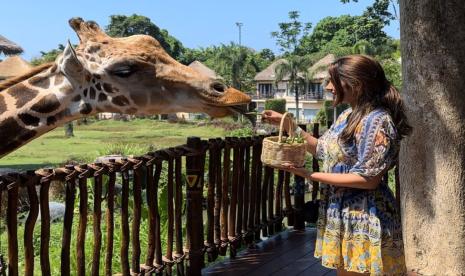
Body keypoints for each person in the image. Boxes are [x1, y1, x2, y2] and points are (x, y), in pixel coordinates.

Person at [262, 55, 411, 276]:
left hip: (365, 216)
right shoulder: (347, 116)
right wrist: (290, 126)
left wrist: (310, 175)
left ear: (356, 85)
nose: (329, 87)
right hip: (343, 214)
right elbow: (322, 149)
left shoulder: (378, 121)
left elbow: (368, 180)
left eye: (333, 81)